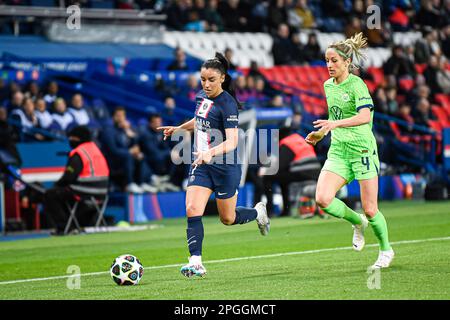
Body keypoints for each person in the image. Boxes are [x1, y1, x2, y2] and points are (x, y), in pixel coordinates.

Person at [158, 52, 270, 278]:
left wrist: (210, 152)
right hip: (202, 164)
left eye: (211, 80)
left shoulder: (228, 105)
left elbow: (232, 141)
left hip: (225, 166)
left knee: (227, 219)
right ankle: (196, 262)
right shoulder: (201, 96)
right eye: (202, 79)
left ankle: (258, 213)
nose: (206, 84)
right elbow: (199, 121)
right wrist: (179, 128)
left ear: (222, 79)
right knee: (192, 209)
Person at [305, 33, 394, 270]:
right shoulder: (327, 86)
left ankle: (386, 249)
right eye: (327, 60)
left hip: (362, 149)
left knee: (370, 208)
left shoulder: (357, 84)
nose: (329, 65)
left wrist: (334, 125)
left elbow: (365, 117)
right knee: (322, 199)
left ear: (346, 62)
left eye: (334, 61)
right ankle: (357, 223)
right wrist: (321, 133)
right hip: (339, 150)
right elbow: (334, 117)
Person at [43, 126, 109, 235]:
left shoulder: (79, 152)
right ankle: (74, 225)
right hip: (102, 192)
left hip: (84, 191)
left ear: (78, 138)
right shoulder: (95, 149)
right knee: (62, 194)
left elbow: (69, 177)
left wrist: (57, 185)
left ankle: (64, 228)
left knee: (50, 195)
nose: (70, 140)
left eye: (72, 137)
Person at [263, 127, 321, 217]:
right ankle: (286, 210)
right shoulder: (299, 139)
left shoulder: (287, 143)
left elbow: (281, 165)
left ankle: (271, 211)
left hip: (302, 173)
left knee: (268, 177)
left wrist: (266, 170)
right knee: (283, 178)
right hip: (316, 172)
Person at [101, 107, 156, 193]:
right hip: (112, 161)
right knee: (129, 155)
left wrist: (131, 136)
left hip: (125, 158)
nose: (121, 118)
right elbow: (113, 150)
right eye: (118, 116)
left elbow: (134, 144)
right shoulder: (108, 130)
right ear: (113, 117)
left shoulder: (125, 130)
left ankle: (142, 182)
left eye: (122, 116)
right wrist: (129, 152)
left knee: (140, 155)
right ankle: (129, 184)